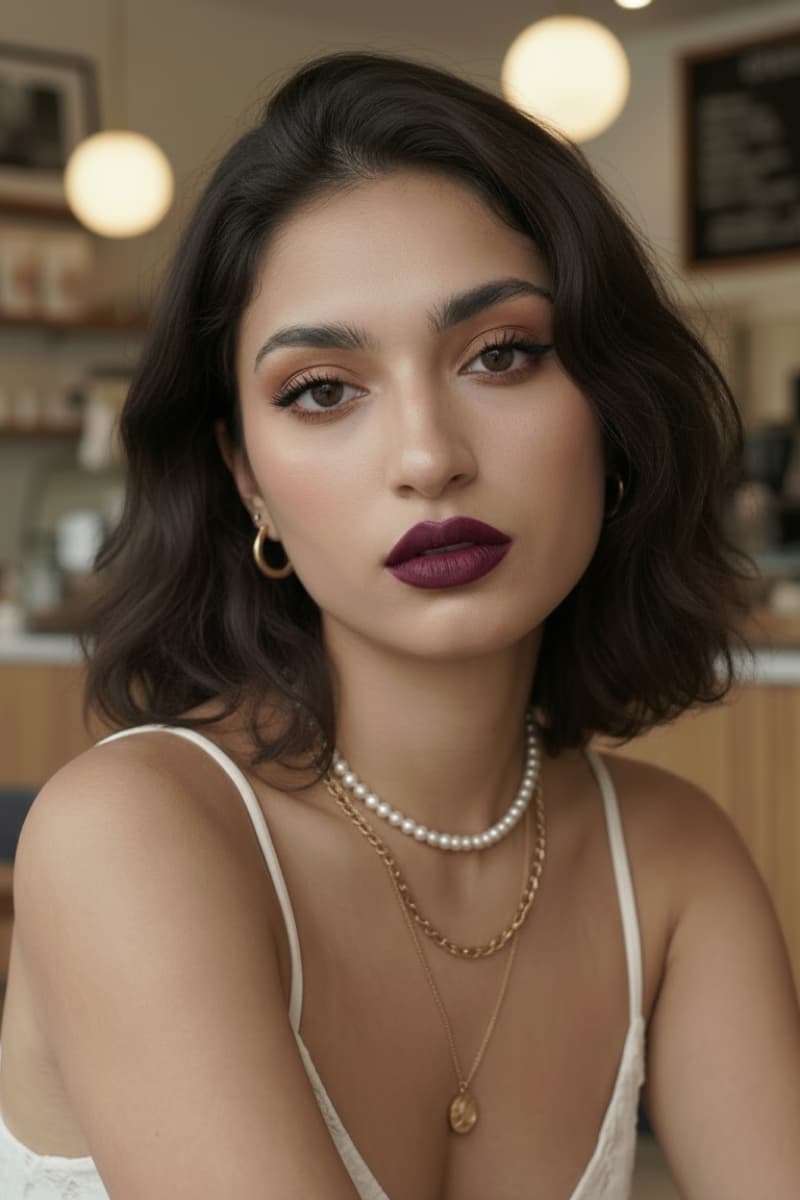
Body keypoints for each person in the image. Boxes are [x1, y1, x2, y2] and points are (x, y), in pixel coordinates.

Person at [0, 50, 798, 1200]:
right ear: (246, 480)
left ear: (613, 414)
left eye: (501, 355)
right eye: (322, 389)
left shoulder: (670, 865)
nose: (429, 457)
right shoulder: (137, 835)